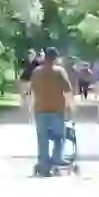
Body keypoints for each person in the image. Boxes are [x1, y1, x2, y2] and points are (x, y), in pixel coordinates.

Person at [29, 46, 73, 176]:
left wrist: (31, 108)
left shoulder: (36, 72)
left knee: (42, 138)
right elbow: (68, 91)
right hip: (56, 110)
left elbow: (32, 91)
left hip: (40, 109)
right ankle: (56, 158)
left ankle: (44, 165)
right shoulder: (59, 71)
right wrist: (70, 107)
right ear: (55, 58)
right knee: (59, 136)